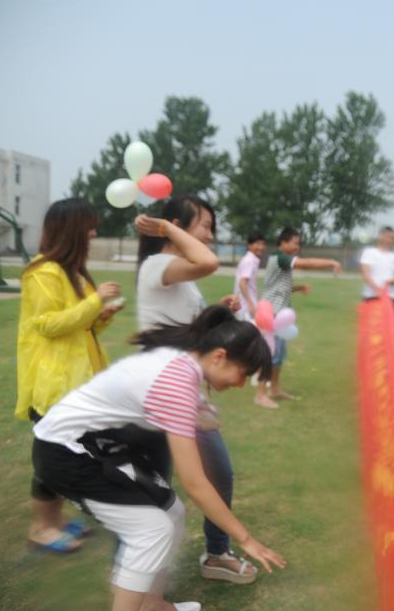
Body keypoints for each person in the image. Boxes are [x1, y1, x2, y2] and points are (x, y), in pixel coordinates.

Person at [31, 306, 286, 611]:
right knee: (151, 529)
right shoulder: (177, 382)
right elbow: (195, 483)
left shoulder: (183, 363)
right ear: (219, 356)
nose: (241, 384)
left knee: (171, 512)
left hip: (90, 444)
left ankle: (153, 606)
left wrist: (198, 413)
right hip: (64, 451)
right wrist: (246, 539)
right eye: (243, 374)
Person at [135, 196, 255, 588]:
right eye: (204, 225)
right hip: (160, 396)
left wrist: (219, 310)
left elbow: (192, 333)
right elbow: (207, 261)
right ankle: (143, 582)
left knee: (218, 472)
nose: (210, 235)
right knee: (157, 488)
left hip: (185, 394)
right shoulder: (157, 264)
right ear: (175, 226)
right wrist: (165, 230)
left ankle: (216, 553)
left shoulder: (182, 278)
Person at [16, 198, 123, 553]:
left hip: (80, 380)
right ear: (71, 229)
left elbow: (80, 328)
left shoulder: (73, 270)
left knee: (67, 454)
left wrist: (100, 316)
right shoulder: (42, 272)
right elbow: (47, 326)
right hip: (56, 384)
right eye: (89, 226)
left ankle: (55, 521)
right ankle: (40, 528)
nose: (94, 233)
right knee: (53, 459)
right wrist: (94, 303)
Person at [254, 226, 342, 408]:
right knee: (270, 354)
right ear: (283, 242)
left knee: (279, 354)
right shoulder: (280, 258)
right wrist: (331, 262)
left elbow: (277, 287)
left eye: (298, 243)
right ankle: (260, 394)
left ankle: (275, 389)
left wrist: (299, 287)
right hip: (272, 314)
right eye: (294, 243)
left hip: (280, 315)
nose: (297, 246)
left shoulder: (280, 260)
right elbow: (306, 263)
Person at [360, 226, 394, 314]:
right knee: (371, 327)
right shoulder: (369, 252)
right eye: (389, 237)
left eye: (393, 238)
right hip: (372, 296)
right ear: (381, 236)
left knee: (391, 327)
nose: (391, 240)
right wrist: (378, 290)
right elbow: (366, 275)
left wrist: (390, 281)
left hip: (391, 297)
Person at [234, 232, 267, 323]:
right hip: (245, 307)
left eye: (262, 244)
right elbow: (242, 282)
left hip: (245, 305)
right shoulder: (249, 261)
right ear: (249, 245)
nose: (260, 247)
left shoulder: (252, 260)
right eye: (257, 244)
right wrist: (250, 304)